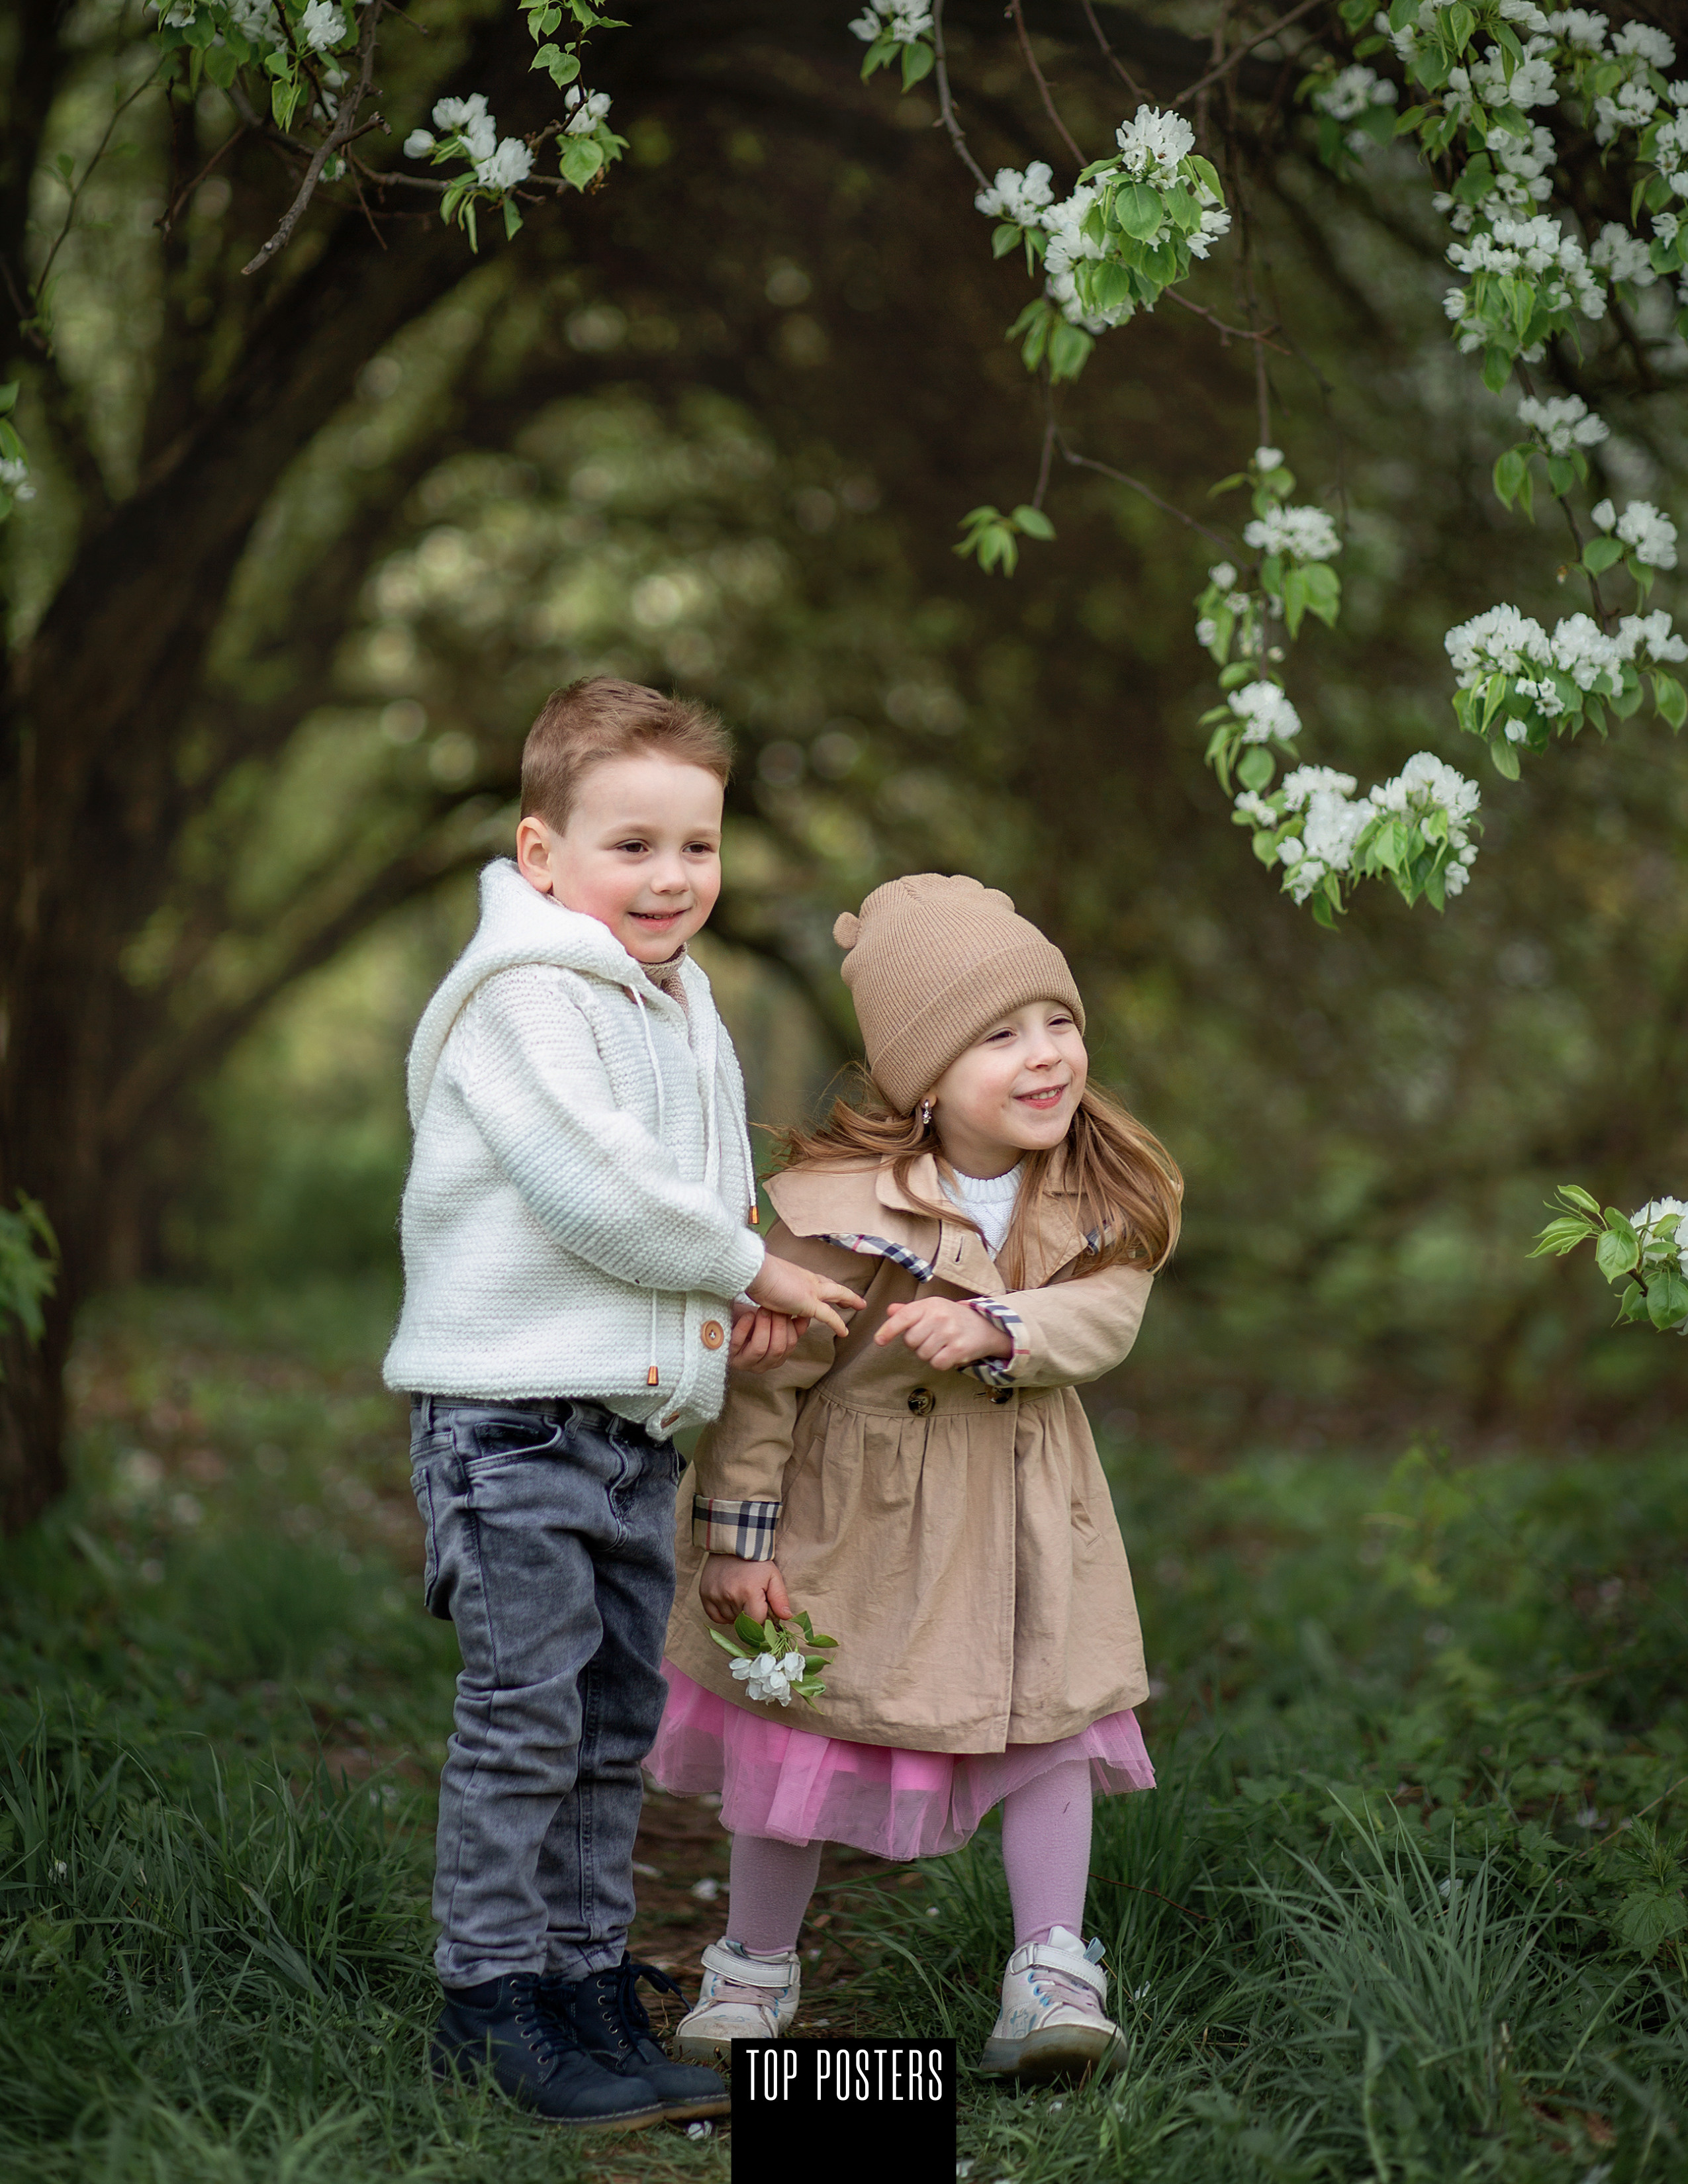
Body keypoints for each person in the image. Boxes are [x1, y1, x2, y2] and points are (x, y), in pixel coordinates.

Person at [383, 676, 862, 2132]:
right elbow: (596, 1190)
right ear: (541, 854)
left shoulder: (677, 998)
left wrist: (729, 1301)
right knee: (524, 1720)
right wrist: (746, 1261)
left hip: (627, 1431)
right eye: (632, 846)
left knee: (609, 1728)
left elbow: (685, 1197)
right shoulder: (523, 996)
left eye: (696, 846)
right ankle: (489, 2003)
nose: (671, 878)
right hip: (513, 1424)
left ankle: (584, 1983)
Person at [648, 872, 1182, 2083]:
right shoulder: (839, 1211)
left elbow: (1107, 1317)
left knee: (1050, 1720)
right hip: (858, 1515)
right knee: (797, 1726)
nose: (1044, 1055)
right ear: (924, 1077)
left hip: (1024, 1508)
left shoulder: (1101, 1190)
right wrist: (737, 1536)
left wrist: (1003, 1325)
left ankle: (1050, 1969)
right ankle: (752, 1967)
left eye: (1058, 1021)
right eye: (999, 1036)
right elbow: (768, 1381)